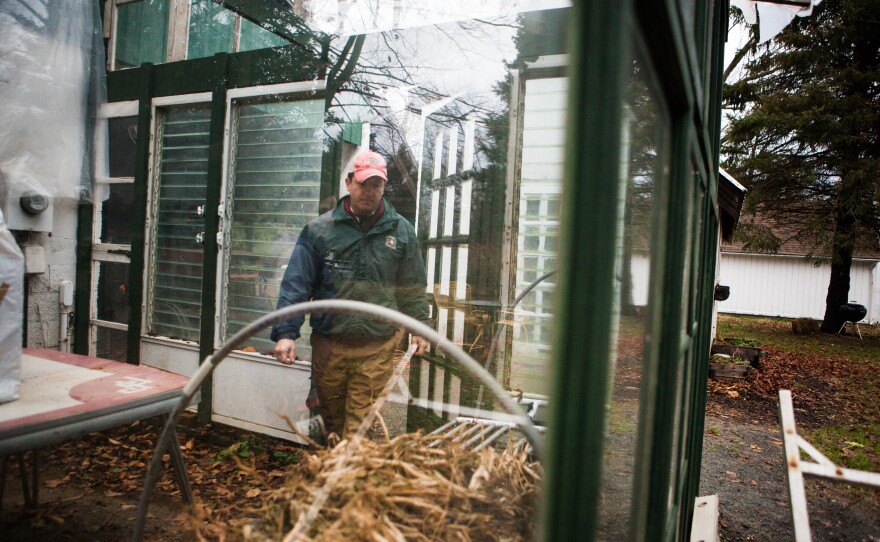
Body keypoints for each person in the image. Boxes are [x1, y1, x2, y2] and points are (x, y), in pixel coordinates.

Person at [271, 150, 430, 439]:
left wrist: (419, 326)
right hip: (330, 345)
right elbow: (297, 284)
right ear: (348, 182)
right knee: (331, 421)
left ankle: (348, 476)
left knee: (361, 424)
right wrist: (285, 332)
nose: (369, 191)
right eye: (363, 183)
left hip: (376, 347)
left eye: (376, 185)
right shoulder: (320, 230)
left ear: (384, 187)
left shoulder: (401, 232)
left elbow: (412, 285)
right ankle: (335, 473)